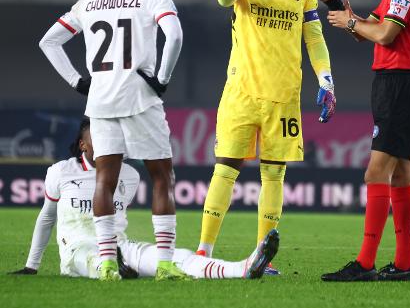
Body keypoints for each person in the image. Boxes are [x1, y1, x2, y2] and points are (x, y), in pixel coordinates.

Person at [39, 0, 184, 280]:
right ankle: (164, 264)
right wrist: (162, 78)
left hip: (100, 101)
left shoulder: (87, 3)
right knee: (162, 177)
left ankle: (105, 264)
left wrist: (78, 82)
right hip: (140, 98)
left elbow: (49, 41)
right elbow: (174, 36)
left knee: (105, 179)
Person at [197, 0, 336, 272]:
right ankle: (203, 250)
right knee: (225, 169)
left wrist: (326, 80)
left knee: (274, 175)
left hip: (284, 95)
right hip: (241, 92)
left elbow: (314, 38)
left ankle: (263, 254)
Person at [311, 0, 410, 282]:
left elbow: (383, 33)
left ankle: (365, 263)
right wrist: (334, 4)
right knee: (400, 174)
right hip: (399, 84)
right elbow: (368, 28)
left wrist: (351, 24)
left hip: (400, 84)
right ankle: (404, 264)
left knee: (375, 172)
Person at [9, 118, 279, 280]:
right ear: (83, 144)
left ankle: (242, 268)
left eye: (112, 136)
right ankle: (116, 266)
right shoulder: (60, 172)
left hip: (122, 246)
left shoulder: (128, 175)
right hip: (78, 252)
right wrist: (31, 266)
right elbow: (46, 218)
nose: (108, 141)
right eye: (99, 136)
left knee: (174, 257)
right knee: (94, 260)